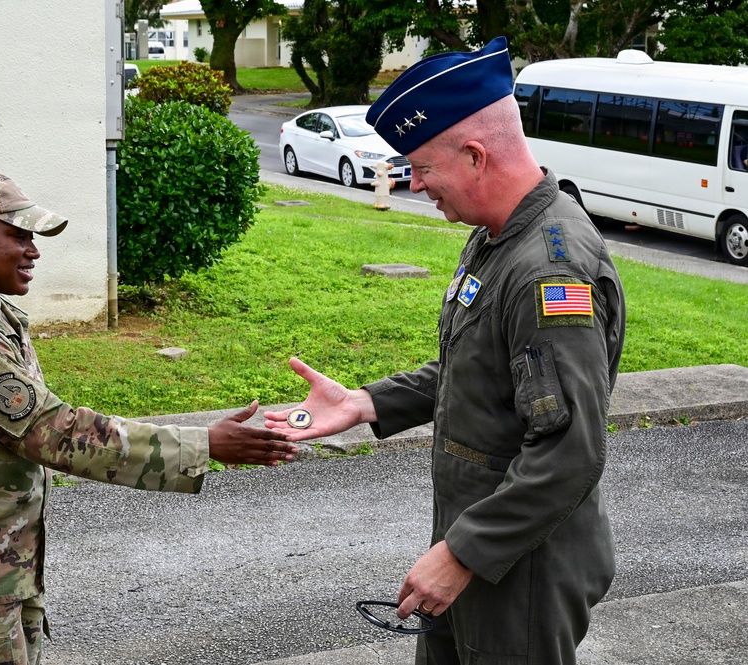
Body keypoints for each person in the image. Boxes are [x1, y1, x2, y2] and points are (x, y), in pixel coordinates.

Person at [265, 37, 626, 664]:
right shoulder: (497, 237)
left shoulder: (548, 270)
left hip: (522, 565)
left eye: (423, 167)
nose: (414, 184)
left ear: (476, 154)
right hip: (483, 544)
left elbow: (569, 451)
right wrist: (366, 403)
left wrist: (463, 553)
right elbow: (480, 366)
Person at [0, 168, 298, 665]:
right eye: (17, 236)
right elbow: (54, 432)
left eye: (32, 237)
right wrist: (203, 445)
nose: (33, 250)